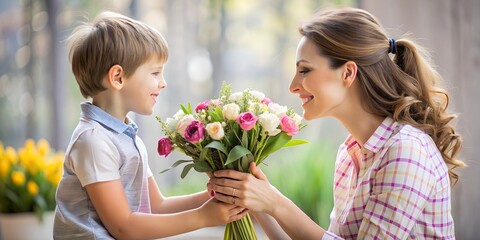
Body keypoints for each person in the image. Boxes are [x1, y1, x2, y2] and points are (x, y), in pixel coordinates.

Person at [208, 7, 465, 239]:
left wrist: (277, 203)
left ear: (348, 73)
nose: (293, 86)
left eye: (305, 70)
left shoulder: (406, 150)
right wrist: (259, 203)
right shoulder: (350, 154)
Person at [54, 11, 247, 239]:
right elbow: (124, 227)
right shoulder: (93, 140)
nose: (163, 83)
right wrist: (202, 218)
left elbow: (156, 206)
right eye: (155, 72)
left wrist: (215, 196)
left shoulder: (126, 134)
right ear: (118, 77)